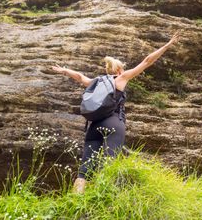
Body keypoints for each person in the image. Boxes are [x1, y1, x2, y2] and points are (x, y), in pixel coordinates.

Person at [51, 31, 181, 194]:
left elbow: (78, 76)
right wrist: (167, 46)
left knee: (84, 169)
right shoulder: (121, 78)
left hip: (93, 126)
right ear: (119, 70)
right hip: (113, 123)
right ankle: (104, 199)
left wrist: (63, 70)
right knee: (110, 163)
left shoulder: (96, 82)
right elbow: (147, 61)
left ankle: (75, 201)